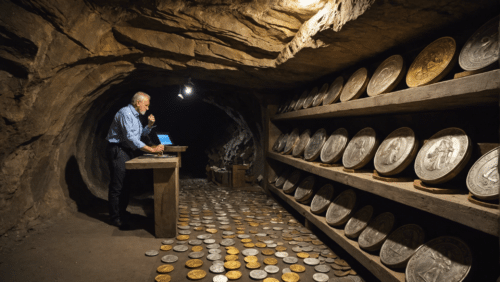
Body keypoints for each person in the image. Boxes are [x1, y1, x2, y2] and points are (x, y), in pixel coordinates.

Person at [105, 92, 164, 229]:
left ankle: (122, 212)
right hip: (117, 149)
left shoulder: (135, 116)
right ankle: (115, 217)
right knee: (117, 185)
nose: (148, 108)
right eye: (146, 105)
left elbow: (139, 135)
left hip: (125, 151)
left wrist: (149, 125)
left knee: (126, 183)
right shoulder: (125, 113)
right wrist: (152, 150)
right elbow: (131, 139)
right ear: (138, 103)